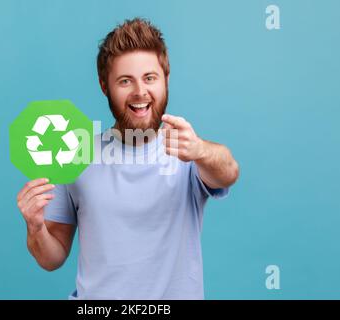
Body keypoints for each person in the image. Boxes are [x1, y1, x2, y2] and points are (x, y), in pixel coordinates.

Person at [16, 18, 239, 299]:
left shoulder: (188, 152)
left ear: (165, 80)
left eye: (149, 78)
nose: (140, 92)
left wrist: (201, 150)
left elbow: (229, 171)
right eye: (125, 81)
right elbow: (52, 258)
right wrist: (35, 227)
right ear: (104, 86)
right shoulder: (73, 155)